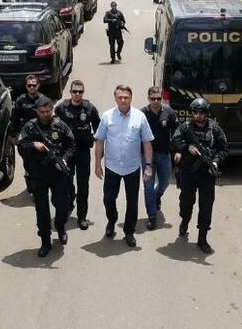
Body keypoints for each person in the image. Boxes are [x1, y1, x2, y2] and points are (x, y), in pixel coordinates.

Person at [94, 84, 154, 247]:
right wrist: (97, 164)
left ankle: (129, 231)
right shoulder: (107, 116)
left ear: (130, 98)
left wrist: (148, 166)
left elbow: (147, 143)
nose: (123, 100)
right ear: (115, 98)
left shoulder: (139, 117)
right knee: (108, 199)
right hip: (112, 167)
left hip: (132, 167)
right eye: (120, 97)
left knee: (132, 201)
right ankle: (112, 220)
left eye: (126, 97)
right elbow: (100, 140)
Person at [17, 96, 75, 257]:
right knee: (41, 209)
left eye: (48, 111)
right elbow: (20, 146)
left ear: (52, 110)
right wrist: (33, 145)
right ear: (37, 111)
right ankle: (45, 241)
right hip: (38, 174)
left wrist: (63, 159)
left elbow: (71, 145)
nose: (45, 114)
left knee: (62, 205)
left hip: (57, 172)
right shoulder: (30, 127)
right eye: (42, 111)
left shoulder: (59, 126)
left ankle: (60, 226)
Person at [170, 98, 228, 254]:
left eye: (201, 112)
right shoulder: (185, 127)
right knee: (186, 202)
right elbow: (174, 141)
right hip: (189, 172)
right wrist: (186, 147)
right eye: (195, 112)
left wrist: (215, 162)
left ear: (207, 113)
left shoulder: (215, 129)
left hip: (206, 175)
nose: (198, 115)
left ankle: (202, 238)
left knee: (206, 207)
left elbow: (223, 149)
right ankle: (185, 220)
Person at [54, 79, 100, 230]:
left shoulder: (89, 109)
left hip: (83, 151)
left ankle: (82, 216)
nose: (78, 94)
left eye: (80, 91)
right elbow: (54, 128)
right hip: (67, 151)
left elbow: (99, 129)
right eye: (75, 91)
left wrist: (98, 145)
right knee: (66, 182)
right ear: (70, 92)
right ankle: (69, 203)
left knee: (83, 185)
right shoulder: (61, 108)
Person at [140, 86, 178, 230]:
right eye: (153, 98)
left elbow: (177, 131)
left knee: (165, 182)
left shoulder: (169, 112)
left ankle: (157, 196)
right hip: (146, 156)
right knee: (148, 186)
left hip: (164, 155)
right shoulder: (142, 114)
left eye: (158, 98)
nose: (155, 101)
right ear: (148, 98)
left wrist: (177, 149)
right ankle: (152, 216)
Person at [11, 75, 46, 195]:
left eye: (34, 85)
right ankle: (31, 187)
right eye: (29, 85)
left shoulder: (44, 100)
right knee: (28, 164)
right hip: (26, 138)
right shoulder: (21, 100)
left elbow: (50, 118)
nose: (32, 87)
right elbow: (15, 118)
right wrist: (14, 135)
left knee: (42, 163)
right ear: (26, 87)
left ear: (38, 85)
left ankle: (40, 187)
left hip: (41, 137)